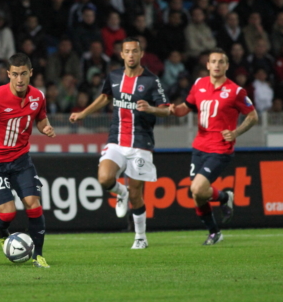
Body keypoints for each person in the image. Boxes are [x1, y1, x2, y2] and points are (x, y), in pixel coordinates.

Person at [69, 37, 170, 249]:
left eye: (135, 51)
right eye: (127, 51)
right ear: (121, 54)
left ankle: (140, 237)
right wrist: (83, 113)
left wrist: (152, 109)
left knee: (137, 194)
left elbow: (167, 109)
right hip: (116, 139)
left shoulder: (151, 81)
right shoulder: (114, 76)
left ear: (141, 54)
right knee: (105, 179)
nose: (131, 55)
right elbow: (105, 97)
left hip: (141, 143)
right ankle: (119, 192)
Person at [0, 53, 55, 268]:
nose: (20, 79)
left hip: (21, 159)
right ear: (8, 74)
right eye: (15, 74)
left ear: (31, 73)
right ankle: (2, 232)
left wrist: (46, 128)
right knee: (8, 212)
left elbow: (41, 119)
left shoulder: (38, 97)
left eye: (24, 73)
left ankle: (39, 256)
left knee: (33, 205)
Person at [169, 48, 258, 245]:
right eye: (213, 61)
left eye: (221, 62)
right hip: (199, 147)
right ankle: (215, 231)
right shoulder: (199, 84)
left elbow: (253, 116)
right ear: (207, 65)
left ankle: (224, 197)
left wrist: (235, 133)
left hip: (220, 148)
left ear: (227, 66)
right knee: (197, 194)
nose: (217, 65)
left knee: (197, 188)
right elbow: (186, 107)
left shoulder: (235, 91)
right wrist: (172, 110)